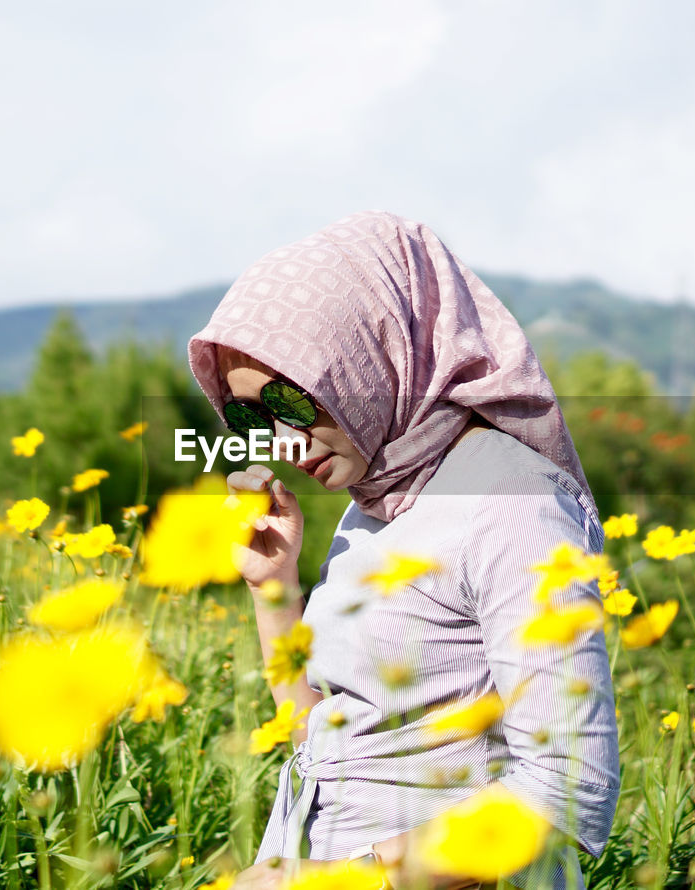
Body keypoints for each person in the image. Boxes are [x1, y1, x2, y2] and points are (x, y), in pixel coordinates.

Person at [187, 210, 620, 890]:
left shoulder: (511, 501)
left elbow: (570, 788)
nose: (281, 442)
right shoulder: (380, 503)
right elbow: (327, 748)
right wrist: (274, 591)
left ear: (370, 353)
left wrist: (345, 878)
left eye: (293, 402)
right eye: (250, 416)